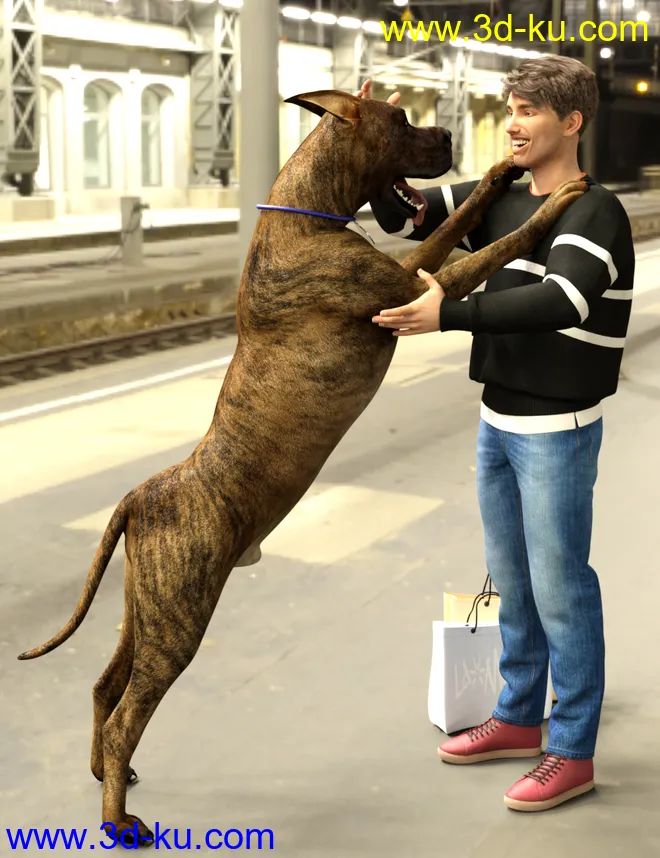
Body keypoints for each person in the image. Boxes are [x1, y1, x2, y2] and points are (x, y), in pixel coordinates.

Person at [358, 55, 635, 812]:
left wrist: (448, 313)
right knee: (514, 584)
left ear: (571, 122)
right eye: (510, 108)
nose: (513, 123)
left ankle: (570, 750)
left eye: (529, 110)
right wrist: (369, 141)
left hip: (556, 427)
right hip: (497, 419)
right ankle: (517, 717)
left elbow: (563, 300)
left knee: (562, 590)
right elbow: (405, 216)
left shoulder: (594, 211)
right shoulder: (500, 194)